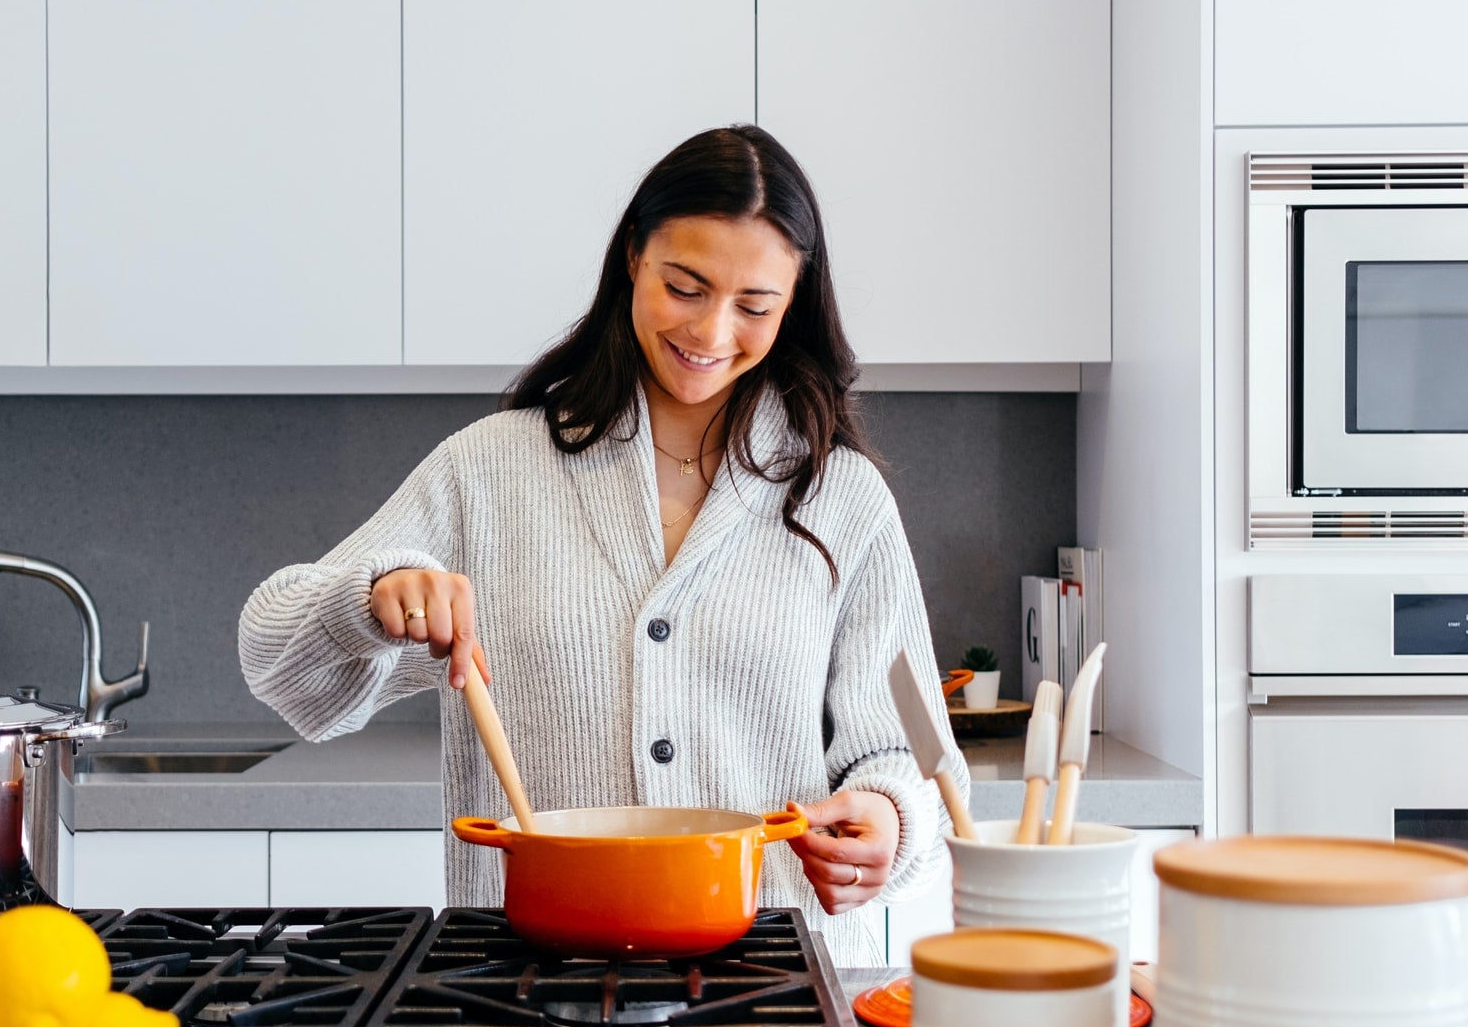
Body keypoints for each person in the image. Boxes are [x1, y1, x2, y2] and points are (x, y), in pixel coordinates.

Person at [238, 124, 957, 965]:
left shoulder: (842, 497)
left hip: (771, 990)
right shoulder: (493, 469)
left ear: (793, 305)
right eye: (685, 286)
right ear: (631, 261)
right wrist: (369, 599)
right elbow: (277, 662)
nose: (713, 331)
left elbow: (906, 753)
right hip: (523, 987)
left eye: (754, 306)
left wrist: (886, 817)